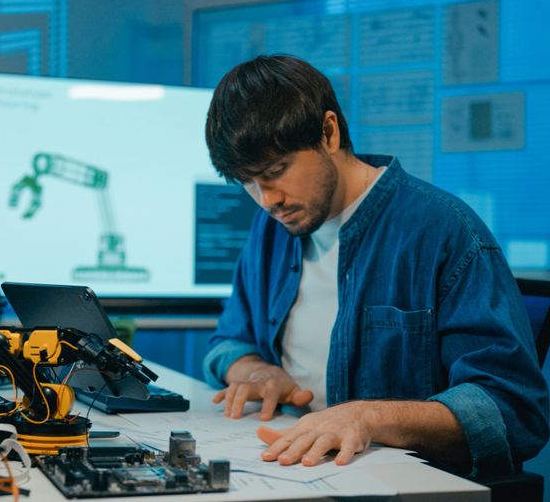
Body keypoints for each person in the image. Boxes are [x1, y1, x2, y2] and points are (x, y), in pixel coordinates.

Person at [202, 54, 549, 477]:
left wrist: (365, 418)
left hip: (395, 481)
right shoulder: (272, 227)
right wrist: (256, 370)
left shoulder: (442, 232)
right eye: (248, 183)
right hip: (296, 467)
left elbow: (513, 411)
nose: (266, 200)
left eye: (277, 170)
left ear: (328, 132)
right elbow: (226, 344)